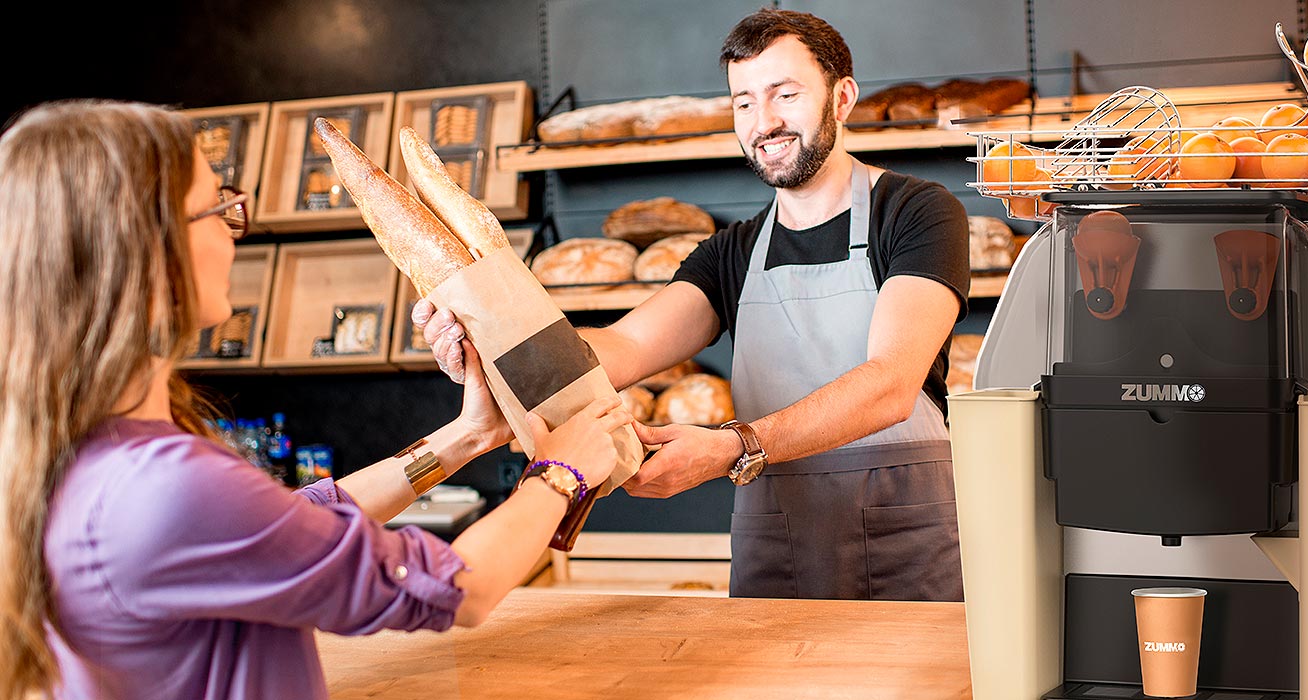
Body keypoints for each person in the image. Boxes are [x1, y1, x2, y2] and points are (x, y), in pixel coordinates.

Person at [0, 99, 630, 700]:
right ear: (145, 246)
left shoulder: (91, 451)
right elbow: (454, 589)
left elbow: (286, 523)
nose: (234, 231)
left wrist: (466, 436)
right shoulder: (163, 487)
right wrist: (559, 473)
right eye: (216, 208)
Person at [417, 8, 970, 602]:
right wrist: (493, 340)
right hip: (776, 545)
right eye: (744, 102)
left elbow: (892, 382)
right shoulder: (731, 252)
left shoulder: (918, 213)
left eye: (786, 94)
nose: (766, 122)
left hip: (902, 539)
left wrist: (735, 445)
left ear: (841, 99)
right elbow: (624, 347)